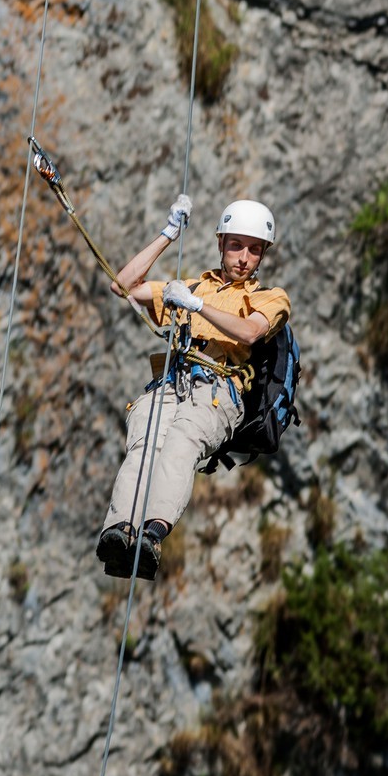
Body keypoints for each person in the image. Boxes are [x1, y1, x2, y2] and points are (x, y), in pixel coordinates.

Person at [97, 196, 291, 581]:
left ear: (263, 255)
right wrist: (168, 234)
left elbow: (251, 332)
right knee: (144, 445)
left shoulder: (270, 297)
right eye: (236, 245)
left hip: (219, 389)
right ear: (221, 243)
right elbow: (122, 285)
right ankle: (120, 531)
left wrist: (197, 306)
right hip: (171, 381)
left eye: (254, 250)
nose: (243, 257)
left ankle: (152, 533)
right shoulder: (188, 287)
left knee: (181, 443)